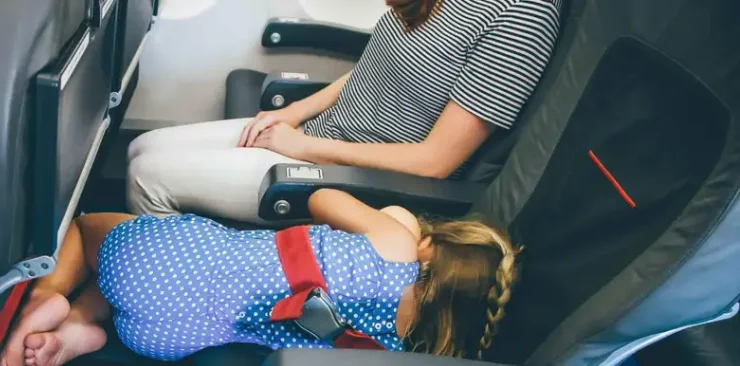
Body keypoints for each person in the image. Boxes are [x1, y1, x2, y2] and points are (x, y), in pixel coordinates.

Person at [0, 189, 520, 366]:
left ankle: (47, 298)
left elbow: (322, 199)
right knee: (130, 285)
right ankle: (82, 327)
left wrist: (397, 220)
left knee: (88, 228)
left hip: (167, 263)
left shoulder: (399, 240)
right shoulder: (400, 346)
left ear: (434, 250)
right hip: (170, 336)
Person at [126, 0, 563, 224]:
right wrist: (294, 113)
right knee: (139, 149)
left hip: (357, 183)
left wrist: (305, 147)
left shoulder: (523, 15)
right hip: (319, 139)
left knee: (149, 179)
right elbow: (373, 68)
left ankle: (172, 300)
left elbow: (436, 162)